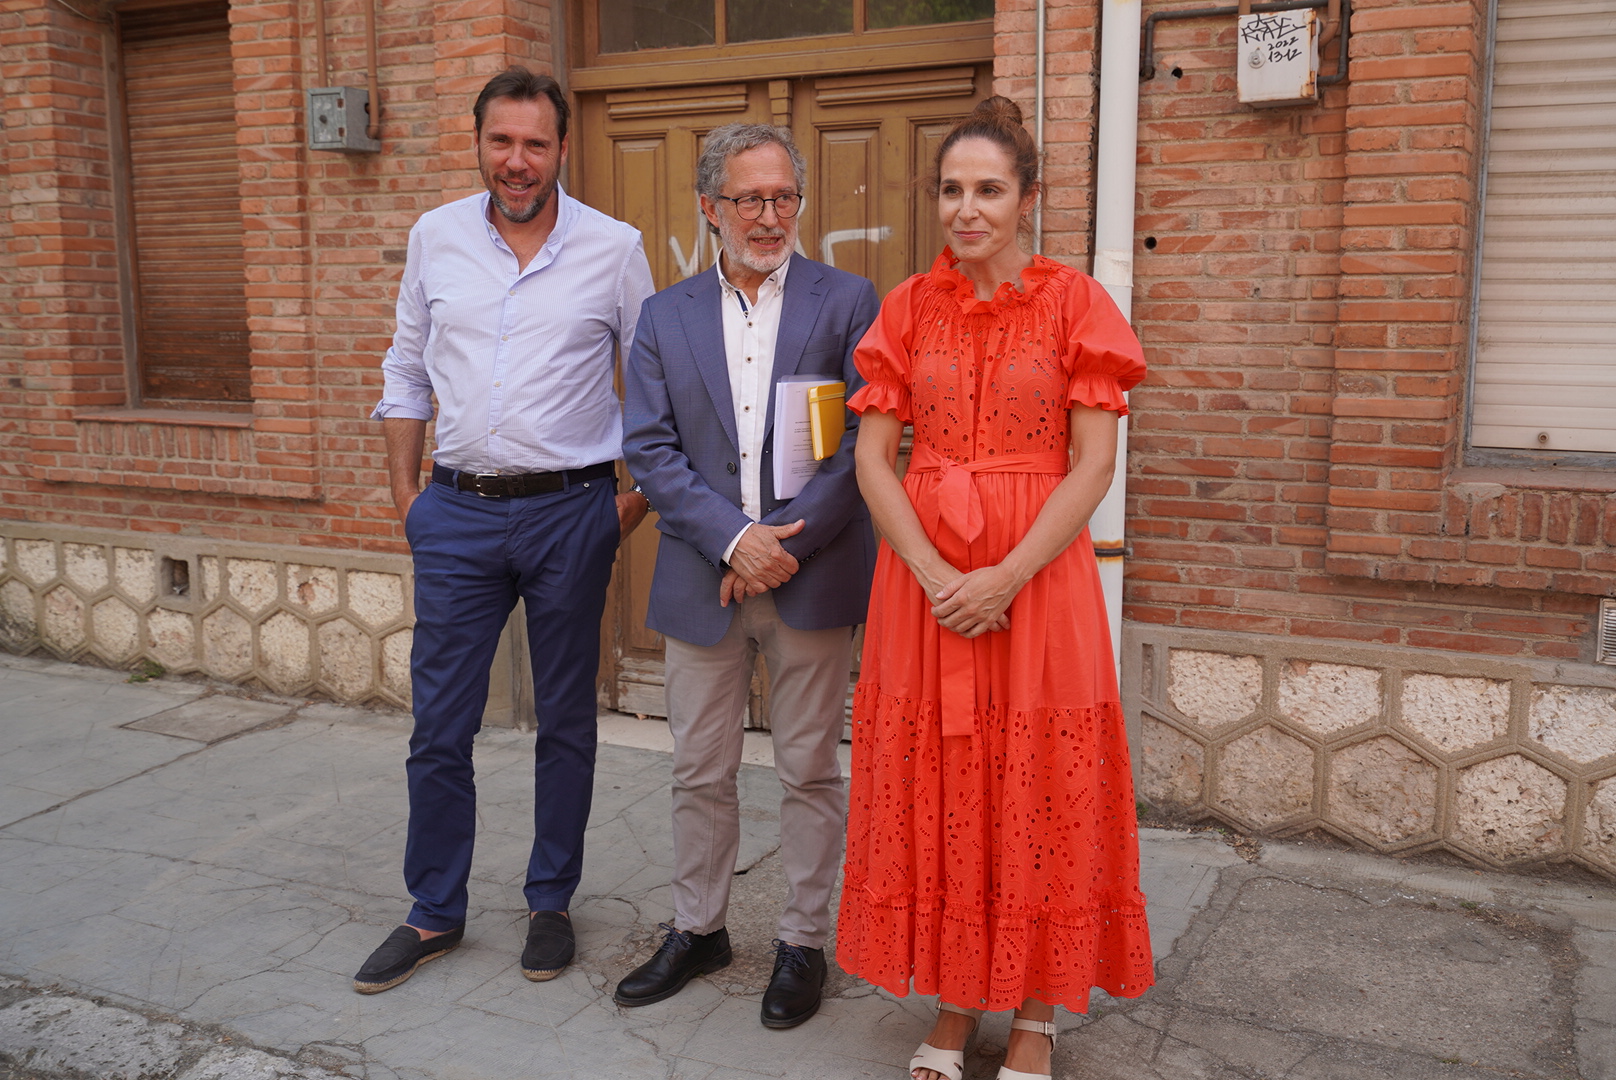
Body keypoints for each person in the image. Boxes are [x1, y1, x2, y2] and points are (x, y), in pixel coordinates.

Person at [835, 97, 1155, 1080]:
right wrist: (939, 576)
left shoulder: (1077, 304)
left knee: (1038, 785)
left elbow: (1093, 467)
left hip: (1037, 586)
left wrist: (1004, 577)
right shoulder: (905, 309)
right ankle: (954, 1002)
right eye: (950, 190)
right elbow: (873, 461)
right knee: (942, 782)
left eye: (988, 189)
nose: (965, 209)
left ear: (1027, 198)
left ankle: (1033, 1016)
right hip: (923, 590)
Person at [356, 67, 655, 994]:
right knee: (439, 724)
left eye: (534, 143)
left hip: (573, 511)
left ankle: (550, 902)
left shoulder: (614, 248)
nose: (517, 161)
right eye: (501, 141)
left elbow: (653, 386)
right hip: (455, 512)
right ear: (479, 142)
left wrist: (630, 504)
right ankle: (433, 910)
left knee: (565, 720)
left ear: (561, 148)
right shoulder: (435, 236)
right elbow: (406, 367)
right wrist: (407, 495)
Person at [619, 123, 878, 1029]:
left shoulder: (848, 300)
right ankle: (699, 930)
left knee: (809, 769)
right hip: (703, 578)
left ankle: (803, 943)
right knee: (699, 768)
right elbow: (651, 450)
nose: (770, 217)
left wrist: (781, 548)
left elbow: (864, 439)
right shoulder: (666, 315)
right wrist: (737, 543)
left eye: (784, 197)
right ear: (710, 207)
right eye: (749, 199)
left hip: (813, 575)